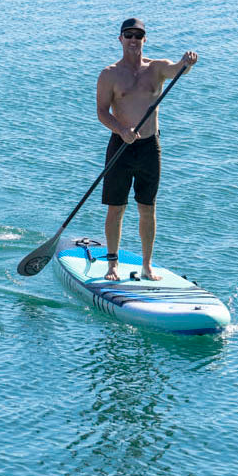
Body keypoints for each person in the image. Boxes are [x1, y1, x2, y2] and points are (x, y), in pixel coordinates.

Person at [96, 18, 197, 282]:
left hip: (149, 147)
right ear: (120, 39)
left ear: (144, 39)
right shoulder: (109, 74)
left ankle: (147, 266)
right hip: (121, 146)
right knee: (116, 208)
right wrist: (122, 130)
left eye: (138, 36)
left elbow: (178, 69)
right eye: (128, 35)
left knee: (147, 208)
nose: (133, 40)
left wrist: (186, 61)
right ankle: (112, 265)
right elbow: (102, 112)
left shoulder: (157, 68)